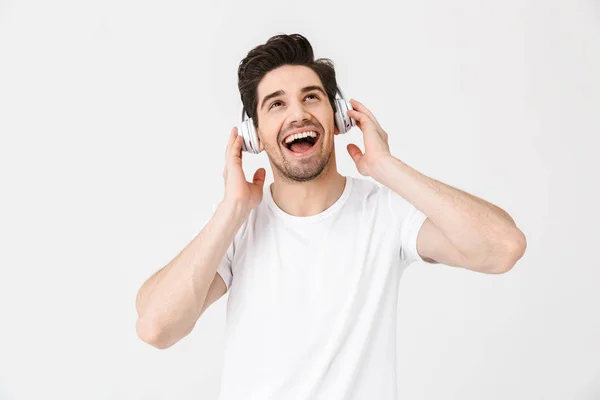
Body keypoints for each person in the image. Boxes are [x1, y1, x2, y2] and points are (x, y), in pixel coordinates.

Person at [135, 33, 527, 399]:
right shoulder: (236, 226)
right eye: (276, 103)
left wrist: (386, 166)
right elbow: (156, 327)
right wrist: (232, 208)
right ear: (254, 135)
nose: (298, 114)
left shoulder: (385, 212)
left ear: (338, 117)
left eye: (311, 98)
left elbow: (503, 248)